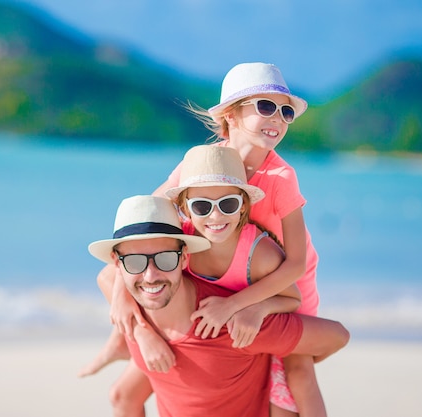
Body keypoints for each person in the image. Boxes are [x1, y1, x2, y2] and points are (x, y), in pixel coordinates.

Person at [152, 62, 323, 416]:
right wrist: (124, 305)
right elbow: (150, 216)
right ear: (230, 114)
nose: (277, 118)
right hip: (235, 274)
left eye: (285, 111)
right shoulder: (206, 163)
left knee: (298, 369)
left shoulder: (281, 176)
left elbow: (296, 263)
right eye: (265, 106)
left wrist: (241, 306)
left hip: (287, 281)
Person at [80, 146, 304, 416]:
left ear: (243, 204)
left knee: (298, 381)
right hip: (178, 322)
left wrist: (248, 307)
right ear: (186, 208)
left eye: (228, 204)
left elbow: (294, 298)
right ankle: (118, 343)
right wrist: (139, 331)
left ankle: (120, 343)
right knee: (121, 394)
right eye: (201, 206)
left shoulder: (258, 253)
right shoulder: (180, 236)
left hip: (244, 307)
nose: (215, 215)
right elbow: (117, 271)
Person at [87, 195, 349, 417]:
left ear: (184, 258)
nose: (150, 276)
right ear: (117, 264)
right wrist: (140, 330)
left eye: (165, 259)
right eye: (134, 262)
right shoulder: (130, 313)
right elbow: (123, 397)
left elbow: (337, 336)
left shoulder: (231, 325)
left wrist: (271, 328)